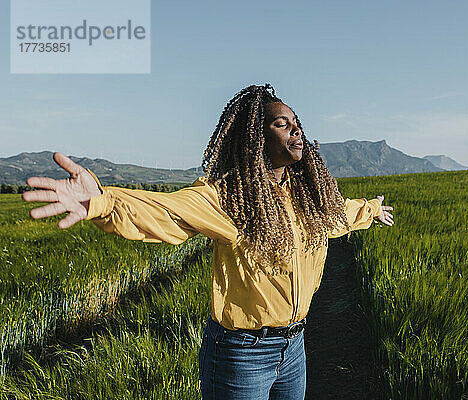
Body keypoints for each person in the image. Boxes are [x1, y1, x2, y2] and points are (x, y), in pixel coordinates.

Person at [22, 83, 394, 399]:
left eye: (296, 124)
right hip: (242, 356)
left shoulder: (308, 198)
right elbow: (168, 211)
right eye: (282, 124)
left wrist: (372, 209)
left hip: (294, 347)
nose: (296, 131)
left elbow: (338, 215)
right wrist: (102, 203)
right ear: (255, 138)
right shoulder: (230, 198)